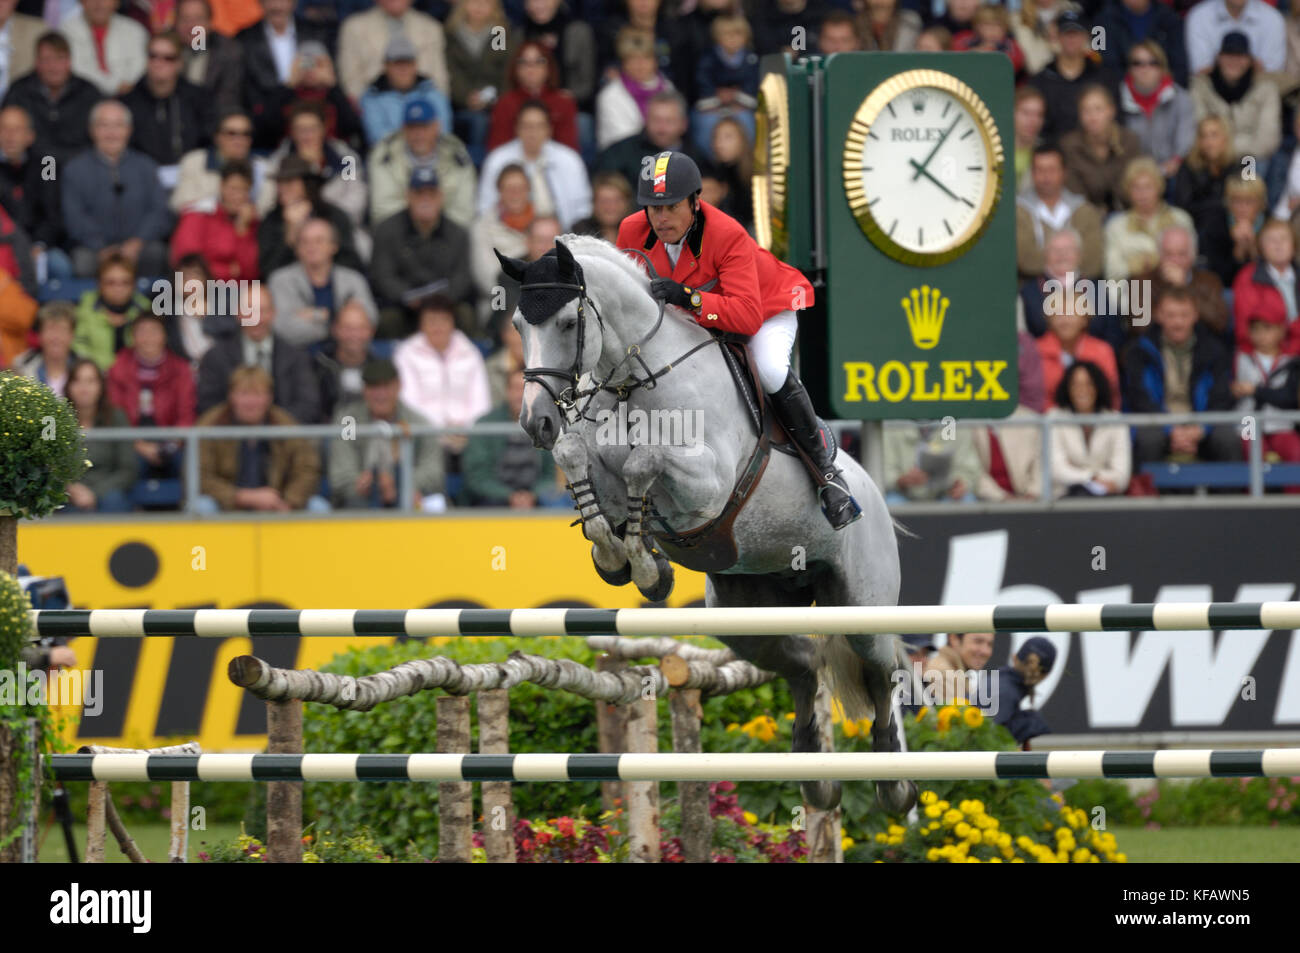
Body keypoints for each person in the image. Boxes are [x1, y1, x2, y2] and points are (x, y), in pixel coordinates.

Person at [613, 149, 858, 528]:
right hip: (697, 317)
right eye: (653, 208)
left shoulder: (726, 234)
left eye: (671, 207)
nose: (661, 219)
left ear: (696, 201)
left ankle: (827, 475)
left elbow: (744, 318)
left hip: (766, 309)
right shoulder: (632, 230)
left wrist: (690, 298)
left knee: (770, 369)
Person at [1122, 286, 1239, 466]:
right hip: (1158, 423)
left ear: (1195, 315)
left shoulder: (1215, 350)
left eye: (1184, 315)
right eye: (1171, 315)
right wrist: (1171, 430)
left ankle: (1228, 494)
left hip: (1202, 424)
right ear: (1158, 315)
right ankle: (1146, 493)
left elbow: (1221, 397)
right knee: (1148, 439)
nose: (1178, 322)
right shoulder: (1140, 351)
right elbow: (1140, 399)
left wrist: (1200, 429)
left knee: (1227, 438)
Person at [195, 364, 330, 513]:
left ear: (269, 398)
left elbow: (307, 469)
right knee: (202, 506)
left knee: (319, 507)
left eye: (258, 394)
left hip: (278, 504)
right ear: (231, 396)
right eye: (244, 394)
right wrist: (243, 497)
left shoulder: (285, 423)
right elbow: (200, 477)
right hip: (227, 505)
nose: (251, 402)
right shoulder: (211, 425)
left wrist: (289, 502)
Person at [63, 99, 172, 278]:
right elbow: (74, 217)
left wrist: (137, 242)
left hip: (140, 247)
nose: (111, 133)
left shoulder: (146, 166)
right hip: (94, 249)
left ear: (129, 130)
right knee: (82, 261)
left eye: (118, 125)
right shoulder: (75, 169)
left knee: (159, 254)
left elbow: (159, 211)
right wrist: (101, 248)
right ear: (92, 130)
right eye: (104, 125)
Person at [329, 357, 446, 510]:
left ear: (398, 386)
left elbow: (432, 470)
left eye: (386, 386)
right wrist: (363, 483)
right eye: (374, 387)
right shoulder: (349, 421)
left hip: (410, 494)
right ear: (364, 389)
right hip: (360, 498)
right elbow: (341, 470)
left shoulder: (417, 421)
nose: (380, 394)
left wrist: (401, 484)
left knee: (429, 505)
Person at [196, 283, 323, 423]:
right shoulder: (215, 357)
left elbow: (308, 405)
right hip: (231, 440)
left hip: (284, 439)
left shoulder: (296, 357)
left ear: (273, 313)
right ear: (238, 313)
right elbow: (208, 405)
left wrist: (274, 428)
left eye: (262, 311)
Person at [371, 166, 474, 337]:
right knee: (388, 319)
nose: (425, 199)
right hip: (403, 305)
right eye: (419, 193)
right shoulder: (387, 230)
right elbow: (382, 277)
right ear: (408, 197)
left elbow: (462, 277)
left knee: (466, 315)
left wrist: (440, 301)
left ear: (440, 197)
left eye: (431, 194)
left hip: (444, 304)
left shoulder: (457, 233)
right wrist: (408, 297)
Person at [393, 293, 492, 458]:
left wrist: (466, 430)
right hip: (424, 437)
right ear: (421, 324)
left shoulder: (470, 352)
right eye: (431, 321)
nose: (437, 327)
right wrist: (441, 430)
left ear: (452, 323)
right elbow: (408, 402)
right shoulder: (406, 354)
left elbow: (481, 401)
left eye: (443, 320)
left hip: (467, 437)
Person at [106, 310, 196, 489]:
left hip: (172, 440)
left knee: (188, 466)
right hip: (132, 441)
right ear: (133, 337)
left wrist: (171, 445)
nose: (148, 338)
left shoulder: (180, 369)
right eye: (142, 332)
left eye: (154, 331)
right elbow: (115, 416)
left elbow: (186, 415)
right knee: (128, 467)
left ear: (164, 335)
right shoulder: (119, 367)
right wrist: (139, 445)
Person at [477, 99, 590, 230]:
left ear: (549, 129)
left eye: (539, 126)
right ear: (517, 128)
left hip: (563, 236)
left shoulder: (570, 160)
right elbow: (485, 208)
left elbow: (583, 208)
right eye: (527, 126)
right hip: (511, 235)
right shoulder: (497, 160)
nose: (533, 133)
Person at [266, 216, 378, 348]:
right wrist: (340, 325)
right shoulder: (280, 280)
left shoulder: (353, 279)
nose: (311, 247)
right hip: (298, 356)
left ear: (334, 246)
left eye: (319, 241)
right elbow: (284, 327)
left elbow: (369, 318)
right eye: (304, 242)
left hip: (344, 355)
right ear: (297, 248)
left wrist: (316, 315)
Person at [235, 0, 332, 151]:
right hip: (266, 126)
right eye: (270, 1)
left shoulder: (315, 32)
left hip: (310, 116)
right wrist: (289, 84)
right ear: (260, 3)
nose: (277, 6)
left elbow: (322, 77)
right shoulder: (245, 39)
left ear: (293, 3)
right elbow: (247, 93)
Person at [367, 97, 477, 229]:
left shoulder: (457, 154)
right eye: (412, 127)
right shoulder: (384, 154)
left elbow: (463, 211)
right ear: (403, 129)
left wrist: (435, 230)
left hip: (447, 235)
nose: (418, 134)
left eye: (424, 127)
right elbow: (382, 209)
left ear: (437, 126)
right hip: (399, 235)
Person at [461, 366, 564, 507]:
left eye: (525, 389)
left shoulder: (546, 424)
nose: (519, 395)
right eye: (515, 388)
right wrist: (509, 496)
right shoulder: (485, 424)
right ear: (507, 391)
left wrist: (532, 496)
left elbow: (551, 474)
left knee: (559, 503)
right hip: (494, 499)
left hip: (537, 500)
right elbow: (477, 477)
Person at [260, 99, 367, 232]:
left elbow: (355, 200)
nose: (307, 136)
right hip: (289, 228)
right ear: (292, 132)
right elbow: (266, 205)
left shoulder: (346, 159)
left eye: (312, 129)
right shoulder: (278, 163)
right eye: (300, 129)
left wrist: (327, 221)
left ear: (324, 129)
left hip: (338, 227)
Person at [1, 30, 102, 167]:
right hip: (30, 169)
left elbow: (99, 138)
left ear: (69, 62)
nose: (53, 67)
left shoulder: (89, 93)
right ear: (37, 62)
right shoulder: (19, 91)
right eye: (47, 59)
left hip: (79, 167)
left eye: (60, 58)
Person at [121, 30, 213, 173]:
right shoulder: (128, 102)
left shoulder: (199, 99)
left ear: (179, 63)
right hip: (142, 176)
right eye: (153, 56)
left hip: (191, 176)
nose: (158, 63)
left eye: (168, 58)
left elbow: (208, 143)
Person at [1190, 32, 1281, 175]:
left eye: (1240, 56)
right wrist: (1225, 147)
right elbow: (1201, 130)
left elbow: (1267, 141)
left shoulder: (1266, 89)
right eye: (1228, 55)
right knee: (1196, 162)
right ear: (1219, 58)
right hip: (1213, 157)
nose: (1234, 61)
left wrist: (1227, 146)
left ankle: (1247, 195)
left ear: (1250, 61)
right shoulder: (1201, 87)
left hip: (1248, 156)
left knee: (1256, 167)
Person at [258, 154, 362, 278]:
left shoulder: (334, 215)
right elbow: (268, 271)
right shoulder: (271, 220)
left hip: (332, 284)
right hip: (287, 288)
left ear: (308, 184)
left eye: (289, 182)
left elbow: (351, 262)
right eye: (279, 183)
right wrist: (290, 232)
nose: (282, 189)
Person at [1015, 143, 1104, 279]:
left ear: (1064, 172)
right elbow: (1026, 261)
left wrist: (1048, 258)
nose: (1046, 177)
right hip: (1034, 292)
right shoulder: (1018, 211)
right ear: (1032, 173)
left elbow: (1093, 262)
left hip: (1079, 291)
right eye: (1040, 170)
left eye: (1052, 170)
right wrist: (1070, 257)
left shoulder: (1085, 211)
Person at [594, 90, 704, 198]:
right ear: (646, 120)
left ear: (684, 124)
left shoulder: (697, 158)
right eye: (656, 120)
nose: (662, 128)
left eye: (669, 121)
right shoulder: (619, 153)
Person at [0, 104, 68, 279]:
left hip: (40, 245)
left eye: (17, 129)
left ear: (30, 136)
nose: (10, 136)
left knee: (59, 266)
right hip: (3, 244)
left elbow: (54, 214)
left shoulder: (48, 163)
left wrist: (39, 244)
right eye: (4, 129)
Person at [1231, 296, 1300, 469]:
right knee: (1252, 453)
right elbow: (1227, 389)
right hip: (1248, 422)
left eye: (1267, 328)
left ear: (1281, 330)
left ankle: (1293, 496)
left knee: (1295, 452)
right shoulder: (1240, 358)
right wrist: (1233, 390)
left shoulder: (1291, 362)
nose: (1260, 335)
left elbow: (1288, 398)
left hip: (1281, 423)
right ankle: (1252, 496)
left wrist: (1254, 390)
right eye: (1255, 329)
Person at [445, 0, 517, 165]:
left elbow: (504, 70)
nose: (478, 7)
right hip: (461, 102)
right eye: (473, 2)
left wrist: (491, 98)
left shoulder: (498, 32)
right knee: (478, 121)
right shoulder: (453, 33)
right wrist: (466, 97)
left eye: (485, 3)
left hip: (493, 101)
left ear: (494, 7)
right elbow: (452, 72)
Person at [1029, 10, 1120, 140]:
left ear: (1086, 36)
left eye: (1076, 33)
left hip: (1095, 148)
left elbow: (1117, 120)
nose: (1071, 39)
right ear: (1057, 36)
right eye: (1066, 33)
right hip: (1053, 152)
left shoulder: (1104, 77)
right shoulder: (1041, 79)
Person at [337, 0, 449, 102]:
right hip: (373, 107)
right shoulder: (354, 28)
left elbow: (440, 81)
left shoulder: (431, 28)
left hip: (424, 109)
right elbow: (351, 80)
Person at [1048, 360, 1132, 496]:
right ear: (1068, 388)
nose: (1082, 390)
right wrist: (1092, 478)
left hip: (1107, 496)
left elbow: (1122, 474)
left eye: (1089, 384)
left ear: (1098, 387)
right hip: (1065, 497)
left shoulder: (1116, 420)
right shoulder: (1054, 418)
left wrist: (1078, 473)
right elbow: (1056, 469)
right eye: (1076, 385)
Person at [63, 356, 135, 512]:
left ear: (101, 386)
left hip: (107, 490)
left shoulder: (117, 417)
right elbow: (47, 466)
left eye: (91, 381)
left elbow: (128, 469)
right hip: (68, 493)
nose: (84, 388)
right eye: (77, 381)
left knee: (114, 501)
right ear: (68, 385)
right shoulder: (52, 420)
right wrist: (71, 489)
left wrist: (95, 493)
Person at [1104, 157, 1194, 280]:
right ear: (1128, 191)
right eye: (1136, 188)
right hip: (1132, 292)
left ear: (1159, 188)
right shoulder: (1116, 226)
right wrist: (1134, 267)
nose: (1143, 194)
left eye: (1148, 187)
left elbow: (1191, 260)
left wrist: (1150, 262)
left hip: (1175, 287)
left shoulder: (1180, 219)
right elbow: (1112, 271)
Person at [169, 160, 259, 280]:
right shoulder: (198, 214)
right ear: (221, 186)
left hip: (237, 291)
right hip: (201, 289)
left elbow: (251, 273)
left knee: (257, 296)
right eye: (233, 189)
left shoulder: (250, 221)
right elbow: (187, 264)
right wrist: (228, 271)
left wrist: (242, 230)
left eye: (244, 190)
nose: (238, 196)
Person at [1118, 39, 1195, 179]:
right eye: (1138, 63)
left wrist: (1175, 161)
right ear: (1129, 68)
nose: (1145, 69)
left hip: (1173, 172)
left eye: (1153, 63)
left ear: (1162, 68)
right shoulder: (1118, 99)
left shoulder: (1179, 97)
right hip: (1131, 175)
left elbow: (1186, 140)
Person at [170, 108, 270, 215]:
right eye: (232, 133)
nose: (239, 140)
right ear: (217, 137)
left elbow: (266, 209)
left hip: (247, 228)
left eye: (246, 134)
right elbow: (179, 203)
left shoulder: (263, 168)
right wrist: (221, 208)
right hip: (205, 227)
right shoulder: (194, 162)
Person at [359, 33, 452, 148]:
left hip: (432, 155)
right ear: (386, 66)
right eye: (397, 64)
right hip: (389, 157)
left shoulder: (432, 92)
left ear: (415, 65)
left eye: (408, 63)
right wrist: (416, 142)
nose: (403, 69)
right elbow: (376, 137)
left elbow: (444, 131)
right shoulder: (372, 97)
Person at [1059, 84, 1142, 213]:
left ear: (1112, 111)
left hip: (1126, 213)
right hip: (1084, 216)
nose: (1092, 117)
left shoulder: (1129, 141)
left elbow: (1134, 187)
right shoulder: (1069, 145)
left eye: (1098, 109)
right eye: (1086, 111)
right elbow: (1073, 193)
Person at [488, 39, 579, 151]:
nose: (531, 68)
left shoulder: (564, 103)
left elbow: (569, 151)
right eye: (524, 62)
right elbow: (498, 150)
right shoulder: (504, 103)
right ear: (516, 69)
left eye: (539, 62)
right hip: (512, 165)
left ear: (549, 67)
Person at [1231, 218, 1300, 355]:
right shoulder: (1247, 277)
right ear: (1261, 248)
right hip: (1264, 354)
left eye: (1284, 238)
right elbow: (1246, 330)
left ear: (1294, 245)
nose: (1278, 244)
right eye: (1271, 240)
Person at [72, 253, 152, 370]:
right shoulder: (84, 310)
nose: (118, 289)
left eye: (125, 282)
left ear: (134, 285)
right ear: (99, 284)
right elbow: (78, 347)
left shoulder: (146, 311)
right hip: (95, 379)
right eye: (111, 283)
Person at [61, 0, 148, 95]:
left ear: (117, 2)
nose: (99, 3)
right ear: (82, 2)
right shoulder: (65, 31)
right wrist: (115, 86)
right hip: (82, 96)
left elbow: (140, 66)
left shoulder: (135, 30)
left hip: (130, 96)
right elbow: (76, 68)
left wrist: (125, 86)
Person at [883, 421, 981, 503]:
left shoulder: (958, 421)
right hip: (902, 494)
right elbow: (882, 472)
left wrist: (961, 484)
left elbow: (969, 470)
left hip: (947, 495)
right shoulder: (891, 422)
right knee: (891, 503)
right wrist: (900, 481)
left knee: (966, 500)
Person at [1094, 0, 1188, 86]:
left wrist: (1163, 90)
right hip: (1120, 95)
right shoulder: (1100, 24)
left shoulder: (1171, 19)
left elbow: (1180, 67)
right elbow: (1103, 66)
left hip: (1167, 92)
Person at [314, 297, 380, 419]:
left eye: (361, 328)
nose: (354, 335)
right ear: (335, 329)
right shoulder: (317, 367)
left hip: (370, 435)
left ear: (371, 331)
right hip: (329, 433)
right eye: (348, 328)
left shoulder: (381, 369)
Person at [175, 0, 243, 115]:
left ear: (209, 23)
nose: (191, 26)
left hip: (212, 122)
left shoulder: (229, 52)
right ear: (175, 23)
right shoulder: (164, 49)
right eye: (185, 19)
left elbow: (228, 101)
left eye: (198, 19)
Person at [1185, 0, 1286, 76]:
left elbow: (1272, 74)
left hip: (1259, 95)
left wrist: (1224, 65)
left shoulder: (1273, 18)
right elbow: (1200, 72)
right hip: (1210, 94)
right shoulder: (1199, 16)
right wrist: (1250, 66)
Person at [987, 637, 1056, 746]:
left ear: (1014, 658)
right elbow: (989, 743)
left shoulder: (998, 683)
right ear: (1046, 675)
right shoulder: (1006, 692)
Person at [12, 301, 82, 394]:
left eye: (62, 330)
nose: (56, 338)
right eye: (50, 330)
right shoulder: (21, 366)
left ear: (72, 335)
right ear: (40, 335)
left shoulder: (85, 368)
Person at [923, 631, 993, 705]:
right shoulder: (943, 675)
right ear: (954, 639)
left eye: (990, 644)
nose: (986, 651)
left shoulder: (955, 673)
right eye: (978, 642)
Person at [571, 169, 632, 243]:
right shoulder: (579, 233)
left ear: (627, 203)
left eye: (617, 201)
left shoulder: (639, 231)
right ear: (594, 203)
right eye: (604, 201)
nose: (611, 207)